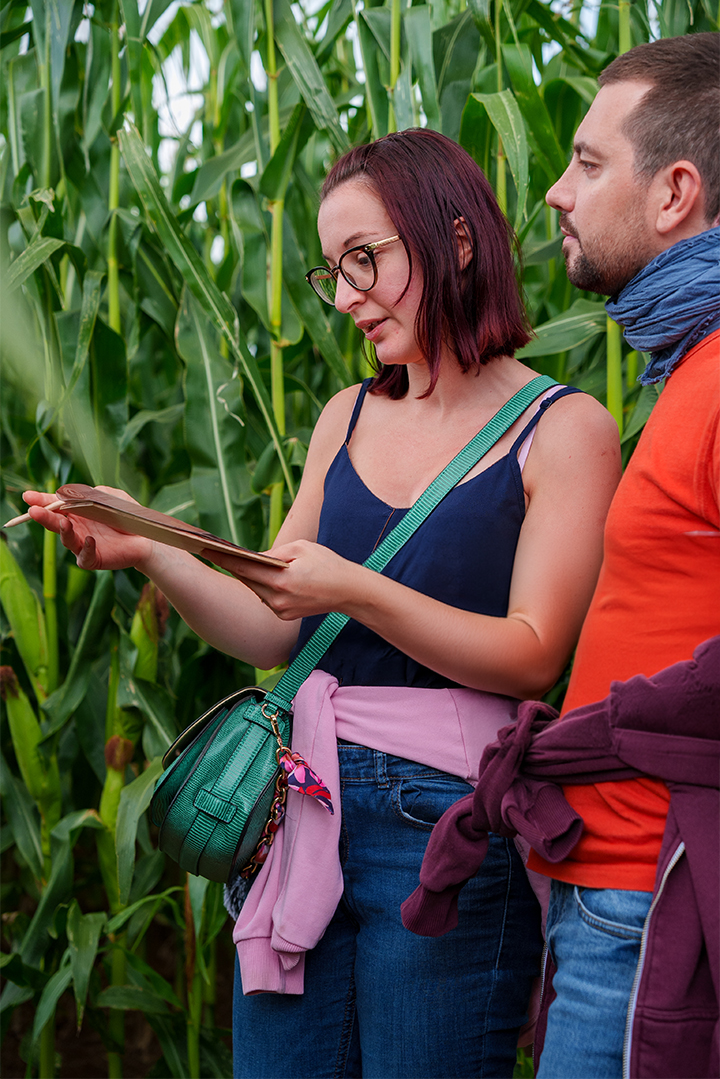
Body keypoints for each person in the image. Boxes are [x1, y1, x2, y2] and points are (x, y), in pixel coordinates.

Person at [23, 129, 620, 1078]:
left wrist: (352, 586)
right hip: (300, 804)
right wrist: (151, 547)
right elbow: (276, 629)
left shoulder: (565, 428)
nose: (344, 298)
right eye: (332, 272)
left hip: (447, 821)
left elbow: (533, 653)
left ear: (457, 241)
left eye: (364, 260)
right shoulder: (346, 414)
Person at [518, 32, 720, 1079]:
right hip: (609, 895)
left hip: (649, 902)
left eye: (589, 163)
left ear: (676, 191)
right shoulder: (690, 369)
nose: (558, 191)